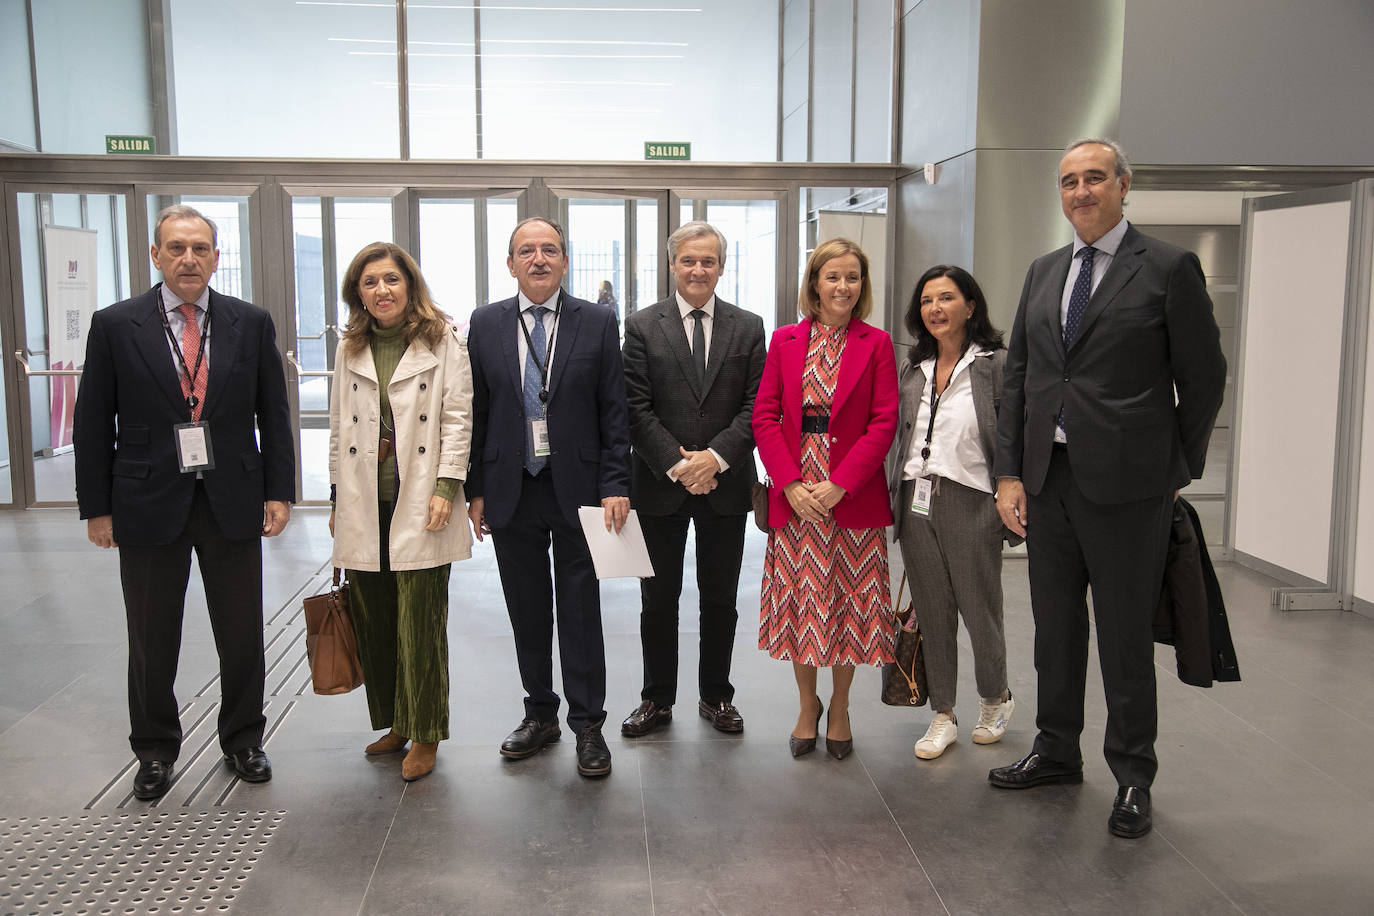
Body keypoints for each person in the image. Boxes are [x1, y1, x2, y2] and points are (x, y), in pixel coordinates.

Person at [989, 139, 1227, 839]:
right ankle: (1057, 750)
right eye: (1069, 181)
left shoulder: (1167, 268)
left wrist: (1173, 467)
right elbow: (1020, 381)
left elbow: (1205, 377)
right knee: (1055, 630)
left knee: (1124, 638)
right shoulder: (1044, 271)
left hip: (1129, 488)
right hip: (1047, 481)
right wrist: (1009, 473)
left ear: (1125, 186)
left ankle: (1132, 775)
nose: (1081, 191)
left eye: (1095, 178)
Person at [73, 204, 294, 800]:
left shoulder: (250, 322)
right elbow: (92, 420)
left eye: (200, 248)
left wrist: (279, 490)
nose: (188, 258)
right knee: (151, 634)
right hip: (146, 499)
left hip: (232, 496)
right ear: (156, 254)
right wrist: (97, 506)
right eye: (176, 247)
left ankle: (244, 738)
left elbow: (273, 412)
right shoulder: (117, 325)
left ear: (217, 257)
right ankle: (154, 749)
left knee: (242, 629)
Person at [465, 217, 631, 778]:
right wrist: (476, 487)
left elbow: (614, 410)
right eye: (526, 251)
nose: (539, 259)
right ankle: (540, 713)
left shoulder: (598, 321)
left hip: (579, 489)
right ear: (509, 263)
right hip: (512, 488)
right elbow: (479, 411)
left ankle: (589, 725)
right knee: (527, 610)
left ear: (565, 261)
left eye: (550, 250)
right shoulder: (485, 323)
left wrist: (615, 483)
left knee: (580, 611)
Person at [327, 242, 474, 783]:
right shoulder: (350, 347)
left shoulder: (442, 341)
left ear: (409, 285)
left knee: (420, 621)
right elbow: (340, 427)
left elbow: (459, 417)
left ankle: (427, 730)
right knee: (375, 617)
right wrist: (338, 497)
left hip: (422, 498)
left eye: (391, 279)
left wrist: (447, 484)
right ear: (357, 293)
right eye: (370, 282)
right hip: (368, 500)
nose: (382, 291)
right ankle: (394, 722)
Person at [754, 237, 898, 760]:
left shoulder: (877, 342)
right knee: (803, 609)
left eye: (852, 277)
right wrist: (790, 483)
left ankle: (840, 707)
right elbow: (765, 416)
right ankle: (806, 705)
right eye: (832, 276)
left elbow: (884, 422)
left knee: (848, 610)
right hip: (797, 497)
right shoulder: (786, 340)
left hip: (849, 494)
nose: (842, 286)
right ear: (814, 282)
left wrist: (842, 483)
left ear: (862, 286)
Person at [619, 221, 766, 737]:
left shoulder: (748, 326)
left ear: (721, 267)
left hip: (724, 486)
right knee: (657, 601)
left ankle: (716, 696)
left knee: (720, 599)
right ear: (673, 264)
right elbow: (634, 408)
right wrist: (682, 465)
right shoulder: (640, 326)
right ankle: (656, 700)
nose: (698, 269)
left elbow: (757, 405)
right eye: (689, 260)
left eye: (708, 261)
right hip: (661, 485)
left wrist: (716, 458)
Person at [889, 265, 1014, 762]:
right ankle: (942, 712)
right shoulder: (914, 367)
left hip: (972, 498)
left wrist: (1012, 488)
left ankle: (994, 698)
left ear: (971, 305)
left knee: (979, 610)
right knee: (933, 613)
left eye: (946, 298)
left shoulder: (995, 364)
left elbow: (1014, 432)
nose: (935, 309)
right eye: (926, 301)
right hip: (916, 498)